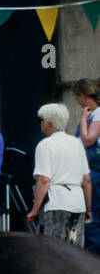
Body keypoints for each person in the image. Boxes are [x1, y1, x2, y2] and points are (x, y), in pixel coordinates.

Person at [28, 102, 91, 244]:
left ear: (49, 122)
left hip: (56, 203)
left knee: (54, 250)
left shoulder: (45, 145)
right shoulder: (77, 143)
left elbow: (44, 180)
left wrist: (35, 210)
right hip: (77, 204)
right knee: (73, 248)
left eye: (41, 120)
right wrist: (88, 208)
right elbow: (86, 179)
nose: (41, 123)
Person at [72, 79, 100, 252]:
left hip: (94, 172)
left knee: (93, 219)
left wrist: (83, 119)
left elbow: (88, 140)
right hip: (91, 171)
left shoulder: (96, 114)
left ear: (82, 96)